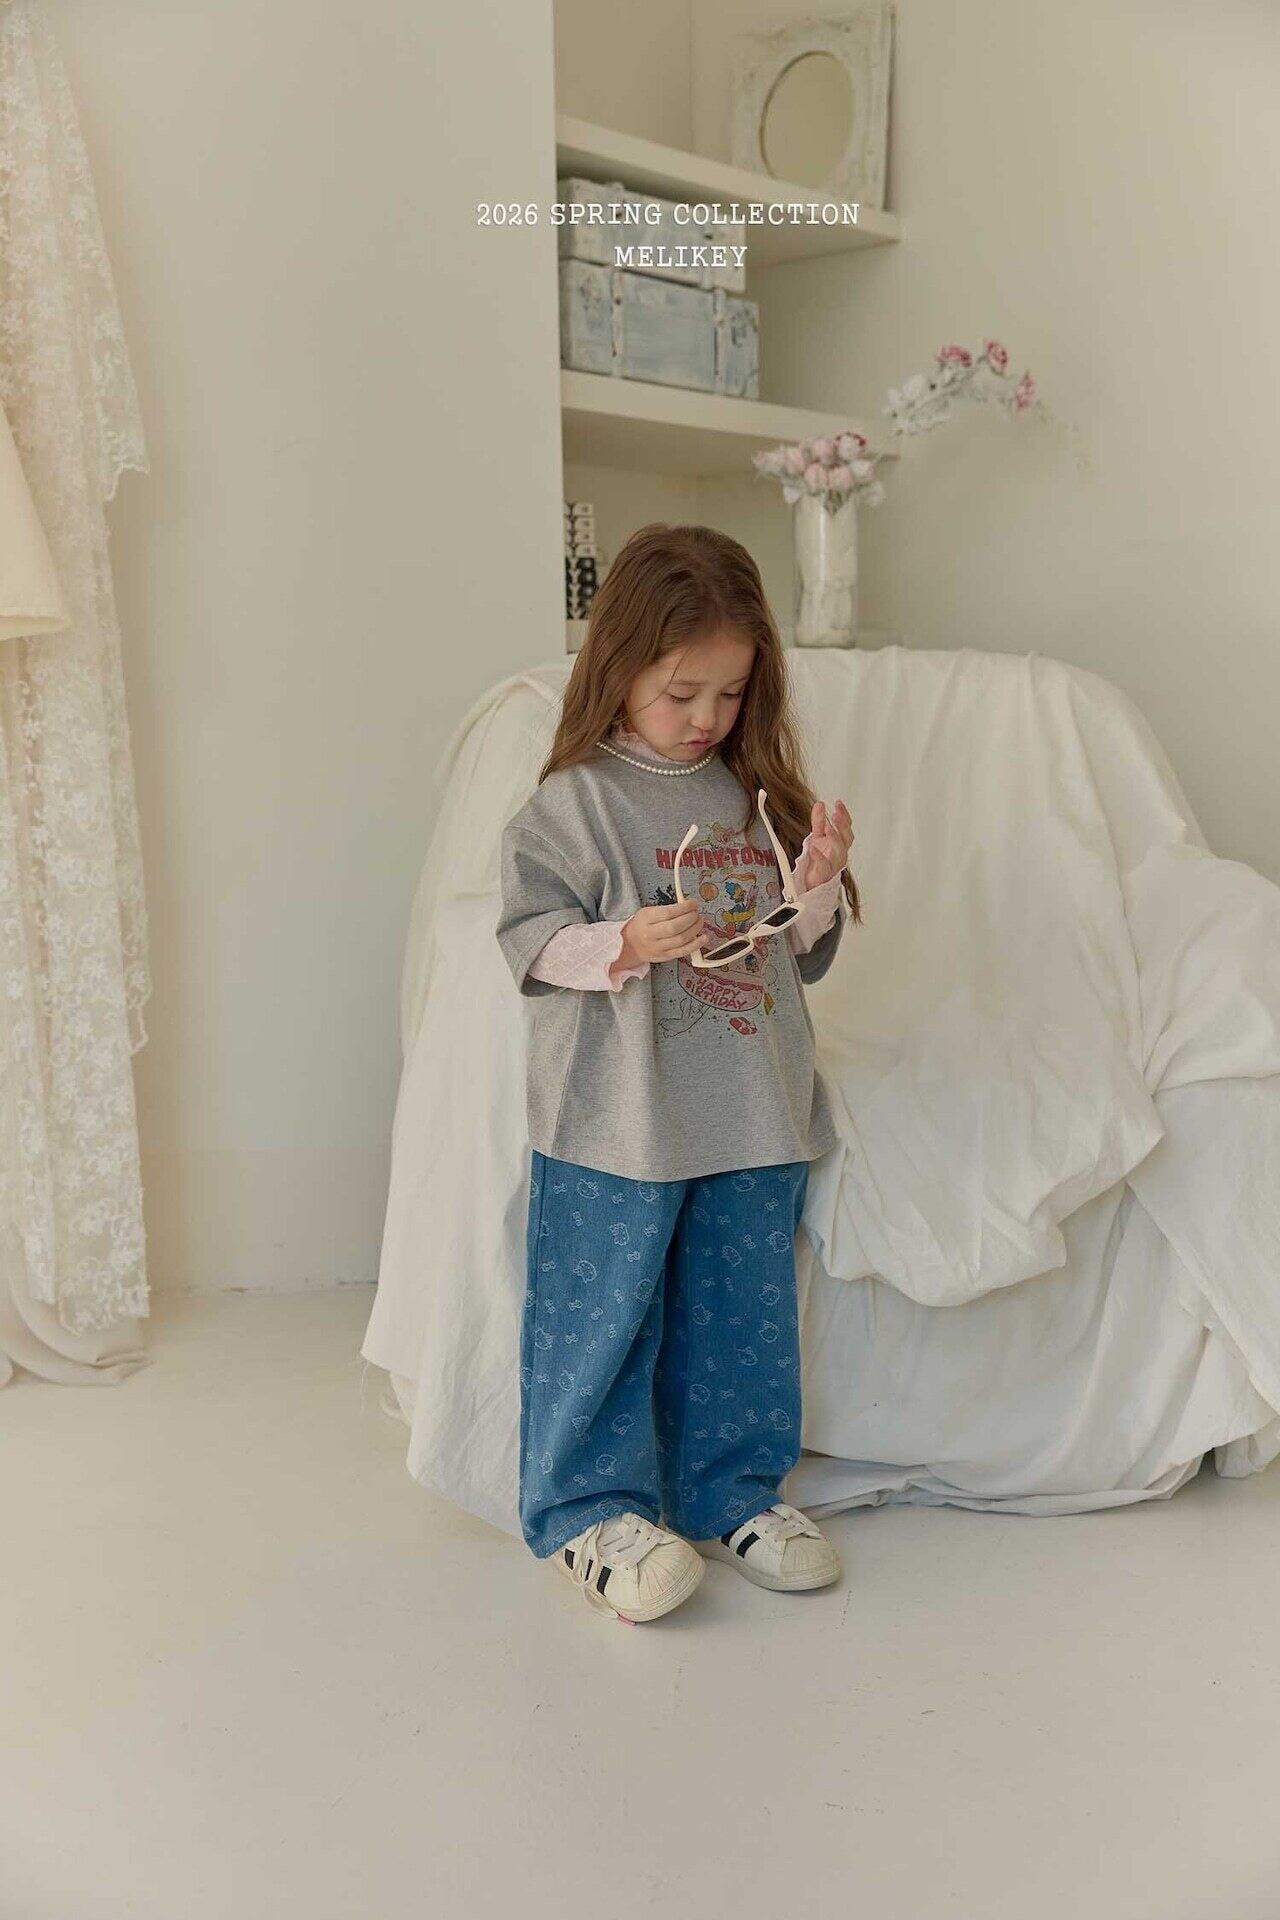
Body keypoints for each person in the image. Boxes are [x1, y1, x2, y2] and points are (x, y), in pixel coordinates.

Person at [495, 523, 860, 1624]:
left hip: (752, 1110)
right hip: (618, 1120)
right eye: (681, 692)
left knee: (742, 1318)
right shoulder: (574, 802)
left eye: (731, 694)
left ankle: (734, 1494)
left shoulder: (750, 795)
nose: (707, 717)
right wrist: (621, 941)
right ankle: (587, 1514)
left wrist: (817, 886)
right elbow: (525, 941)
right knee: (602, 1317)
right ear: (618, 669)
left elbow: (793, 952)